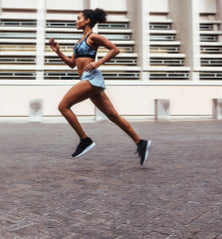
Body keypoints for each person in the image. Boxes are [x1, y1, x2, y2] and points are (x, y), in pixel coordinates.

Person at [49, 8, 151, 165]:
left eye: (78, 18)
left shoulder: (93, 37)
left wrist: (98, 63)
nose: (75, 21)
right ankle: (140, 142)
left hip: (91, 79)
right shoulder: (79, 43)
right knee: (113, 116)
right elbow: (71, 64)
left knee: (63, 106)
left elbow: (114, 49)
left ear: (87, 20)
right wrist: (58, 52)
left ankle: (85, 140)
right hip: (87, 79)